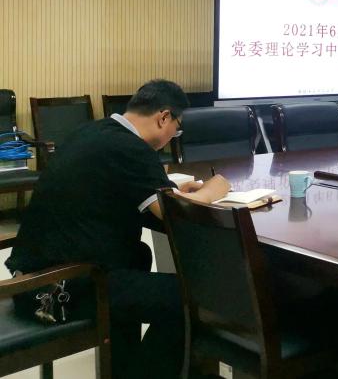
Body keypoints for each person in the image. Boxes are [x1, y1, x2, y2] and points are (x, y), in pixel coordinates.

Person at [6, 80, 231, 379]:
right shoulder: (132, 148)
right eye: (176, 128)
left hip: (33, 276)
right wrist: (213, 189)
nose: (173, 136)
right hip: (57, 288)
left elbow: (123, 187)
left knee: (138, 255)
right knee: (193, 300)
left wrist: (173, 190)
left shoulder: (92, 132)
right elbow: (173, 213)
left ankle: (127, 370)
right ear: (163, 117)